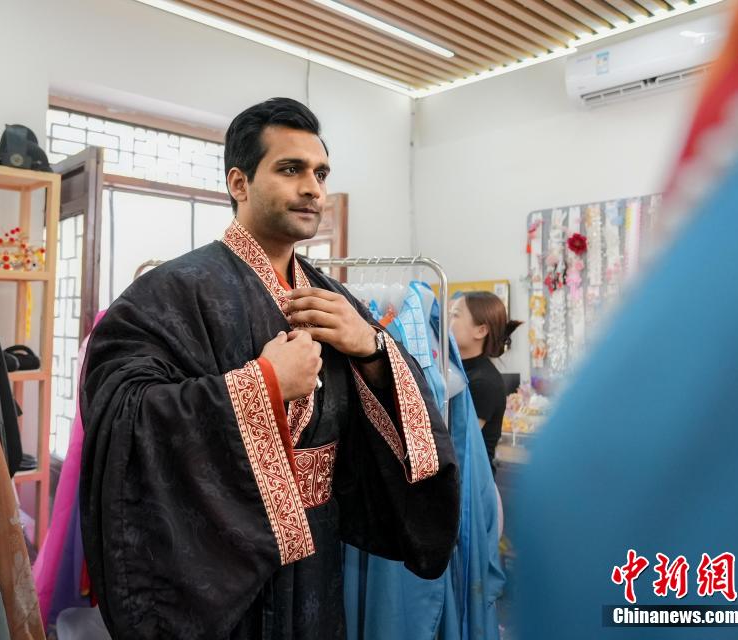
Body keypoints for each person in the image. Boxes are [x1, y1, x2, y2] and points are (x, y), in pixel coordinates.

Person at [79, 97, 460, 640]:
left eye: (320, 173)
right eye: (290, 169)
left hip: (318, 550)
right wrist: (265, 385)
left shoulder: (333, 298)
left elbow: (397, 435)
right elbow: (120, 414)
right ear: (239, 183)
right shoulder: (168, 292)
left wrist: (372, 349)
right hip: (221, 562)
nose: (313, 189)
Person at [450, 292, 521, 473]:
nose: (448, 320)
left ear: (480, 331)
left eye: (455, 315)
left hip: (471, 483)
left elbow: (457, 443)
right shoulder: (459, 370)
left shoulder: (483, 383)